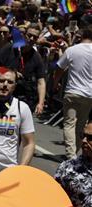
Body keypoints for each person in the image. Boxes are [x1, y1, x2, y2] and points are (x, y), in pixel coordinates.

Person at [53, 27, 92, 158]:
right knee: (81, 125)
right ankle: (74, 154)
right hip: (89, 95)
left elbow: (59, 67)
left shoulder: (72, 50)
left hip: (73, 92)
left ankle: (71, 156)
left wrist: (55, 82)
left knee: (69, 123)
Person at [0, 25, 46, 116]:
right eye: (29, 35)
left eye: (35, 37)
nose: (31, 38)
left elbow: (41, 81)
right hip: (5, 94)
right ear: (23, 35)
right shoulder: (9, 48)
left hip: (24, 97)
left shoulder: (36, 56)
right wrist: (10, 73)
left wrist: (41, 103)